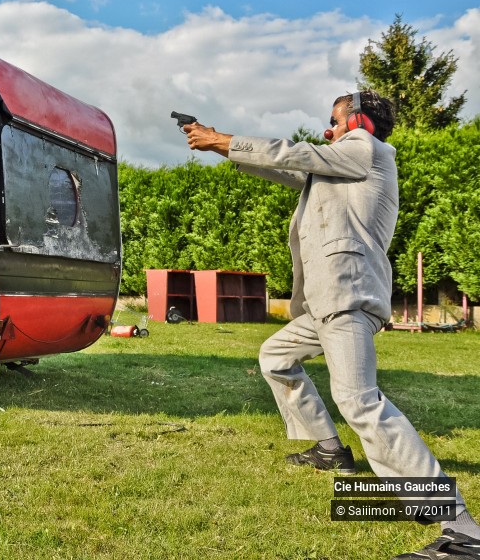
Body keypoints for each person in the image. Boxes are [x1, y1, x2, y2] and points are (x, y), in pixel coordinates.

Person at [183, 91, 480, 559]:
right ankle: (325, 447)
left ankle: (461, 527)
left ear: (358, 120)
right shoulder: (340, 166)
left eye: (334, 120)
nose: (329, 128)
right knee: (276, 356)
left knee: (359, 401)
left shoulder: (367, 147)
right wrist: (222, 147)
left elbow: (295, 153)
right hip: (325, 300)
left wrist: (224, 138)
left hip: (347, 293)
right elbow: (286, 167)